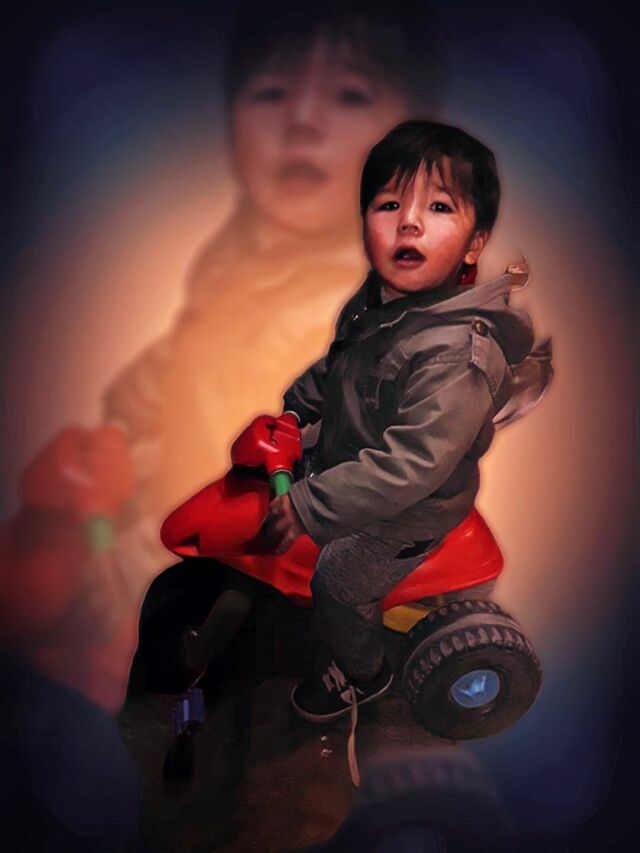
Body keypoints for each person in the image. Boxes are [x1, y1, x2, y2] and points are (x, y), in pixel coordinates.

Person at [259, 119, 551, 721]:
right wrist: (296, 406)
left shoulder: (458, 356)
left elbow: (411, 466)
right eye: (389, 204)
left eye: (439, 207)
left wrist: (310, 505)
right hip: (354, 453)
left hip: (412, 506)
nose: (408, 222)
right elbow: (339, 366)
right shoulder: (375, 303)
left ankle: (362, 674)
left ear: (474, 243)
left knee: (337, 580)